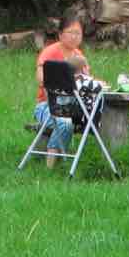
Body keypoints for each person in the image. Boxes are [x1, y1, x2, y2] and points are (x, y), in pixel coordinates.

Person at [32, 17, 91, 158]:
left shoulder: (79, 55)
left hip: (73, 105)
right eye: (71, 32)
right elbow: (41, 79)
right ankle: (52, 162)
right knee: (65, 124)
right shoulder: (50, 52)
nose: (74, 36)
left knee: (97, 115)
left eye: (78, 33)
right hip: (47, 105)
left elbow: (86, 80)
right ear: (60, 34)